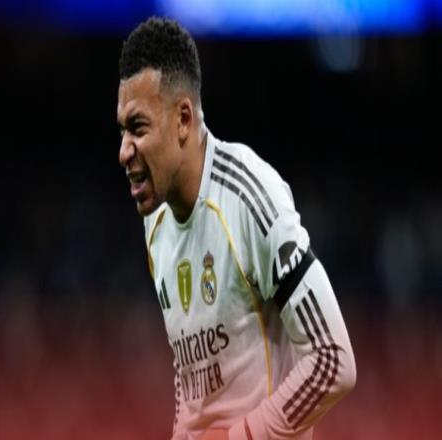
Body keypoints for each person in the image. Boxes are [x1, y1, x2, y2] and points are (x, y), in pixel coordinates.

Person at [117, 17, 356, 440]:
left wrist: (238, 437)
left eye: (138, 128)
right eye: (122, 131)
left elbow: (333, 359)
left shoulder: (249, 196)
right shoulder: (155, 220)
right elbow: (192, 378)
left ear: (183, 119)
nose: (124, 151)